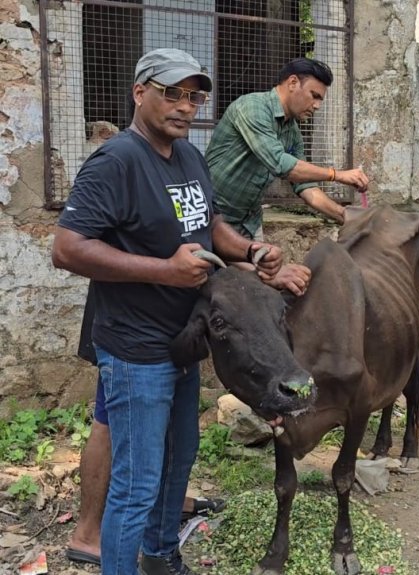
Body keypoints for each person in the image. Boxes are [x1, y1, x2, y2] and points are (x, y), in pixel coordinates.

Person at [52, 48, 288, 575]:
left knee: (178, 461)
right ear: (140, 93)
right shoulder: (116, 161)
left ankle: (160, 557)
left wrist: (249, 251)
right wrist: (163, 270)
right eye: (172, 93)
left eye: (194, 96)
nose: (185, 107)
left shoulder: (189, 155)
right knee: (136, 484)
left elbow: (211, 223)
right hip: (136, 349)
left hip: (184, 339)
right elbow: (66, 248)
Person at [64, 285, 225, 568]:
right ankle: (88, 534)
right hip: (133, 342)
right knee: (133, 474)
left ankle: (159, 552)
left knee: (177, 451)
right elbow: (72, 250)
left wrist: (252, 254)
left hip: (176, 336)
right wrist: (171, 269)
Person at [206, 57, 367, 240]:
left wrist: (344, 215)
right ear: (292, 83)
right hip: (213, 217)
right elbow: (280, 163)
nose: (317, 106)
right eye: (314, 96)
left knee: (260, 268)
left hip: (249, 223)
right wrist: (337, 174)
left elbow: (306, 186)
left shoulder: (292, 133)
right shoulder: (253, 107)